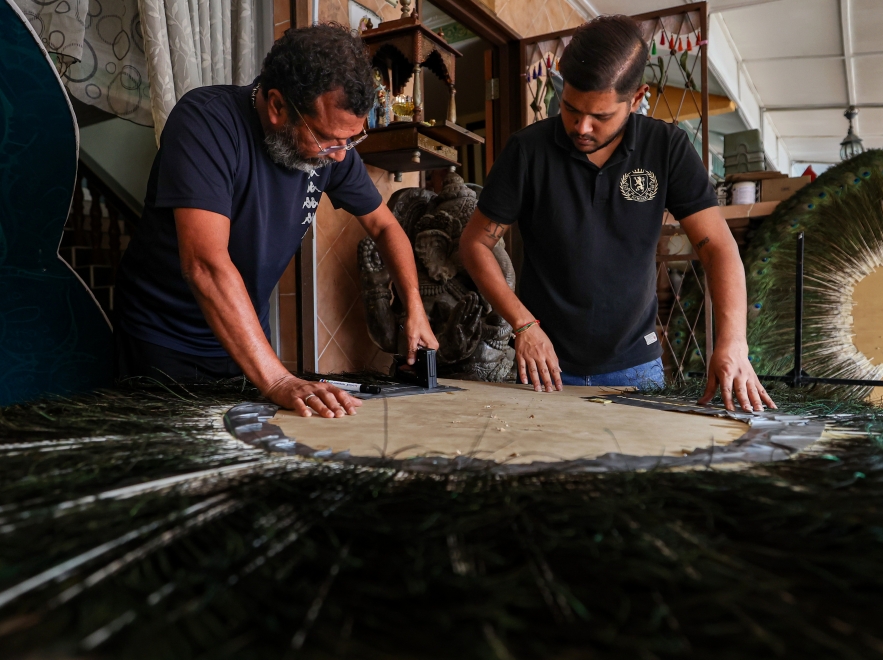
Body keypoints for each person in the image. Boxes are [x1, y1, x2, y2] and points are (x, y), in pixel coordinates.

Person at [115, 24, 438, 418]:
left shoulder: (335, 149)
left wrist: (414, 306)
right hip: (164, 340)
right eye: (327, 139)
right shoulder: (206, 122)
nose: (340, 156)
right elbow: (205, 264)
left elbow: (385, 227)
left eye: (352, 140)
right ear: (276, 106)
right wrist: (278, 379)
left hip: (246, 341)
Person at [459, 15, 774, 413]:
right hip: (543, 366)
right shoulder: (528, 150)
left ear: (638, 97)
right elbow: (475, 243)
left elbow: (718, 248)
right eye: (571, 109)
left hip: (636, 368)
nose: (581, 127)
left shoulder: (667, 149)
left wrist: (733, 343)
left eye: (601, 116)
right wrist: (524, 325)